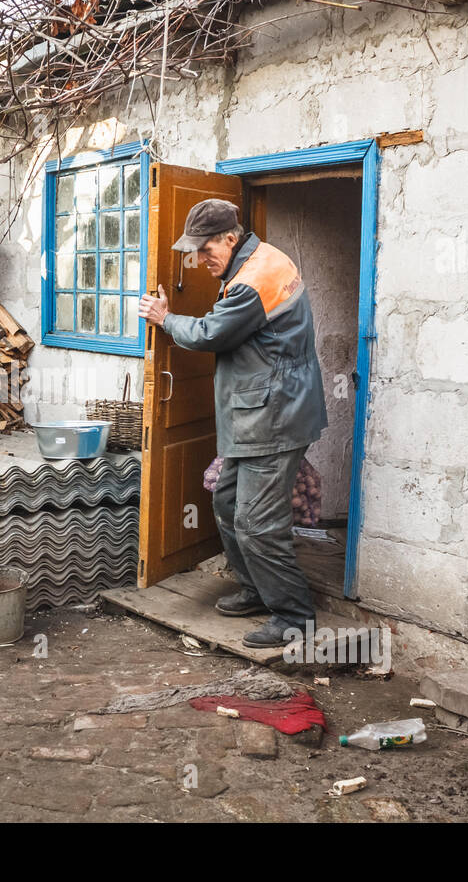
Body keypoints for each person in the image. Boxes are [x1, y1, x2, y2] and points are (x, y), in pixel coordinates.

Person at [138, 198, 328, 648]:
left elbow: (209, 334)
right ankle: (257, 591)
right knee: (227, 504)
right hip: (260, 413)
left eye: (206, 250)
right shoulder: (262, 259)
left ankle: (294, 616)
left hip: (274, 417)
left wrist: (165, 319)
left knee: (257, 522)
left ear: (230, 237)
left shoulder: (251, 282)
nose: (200, 260)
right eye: (196, 252)